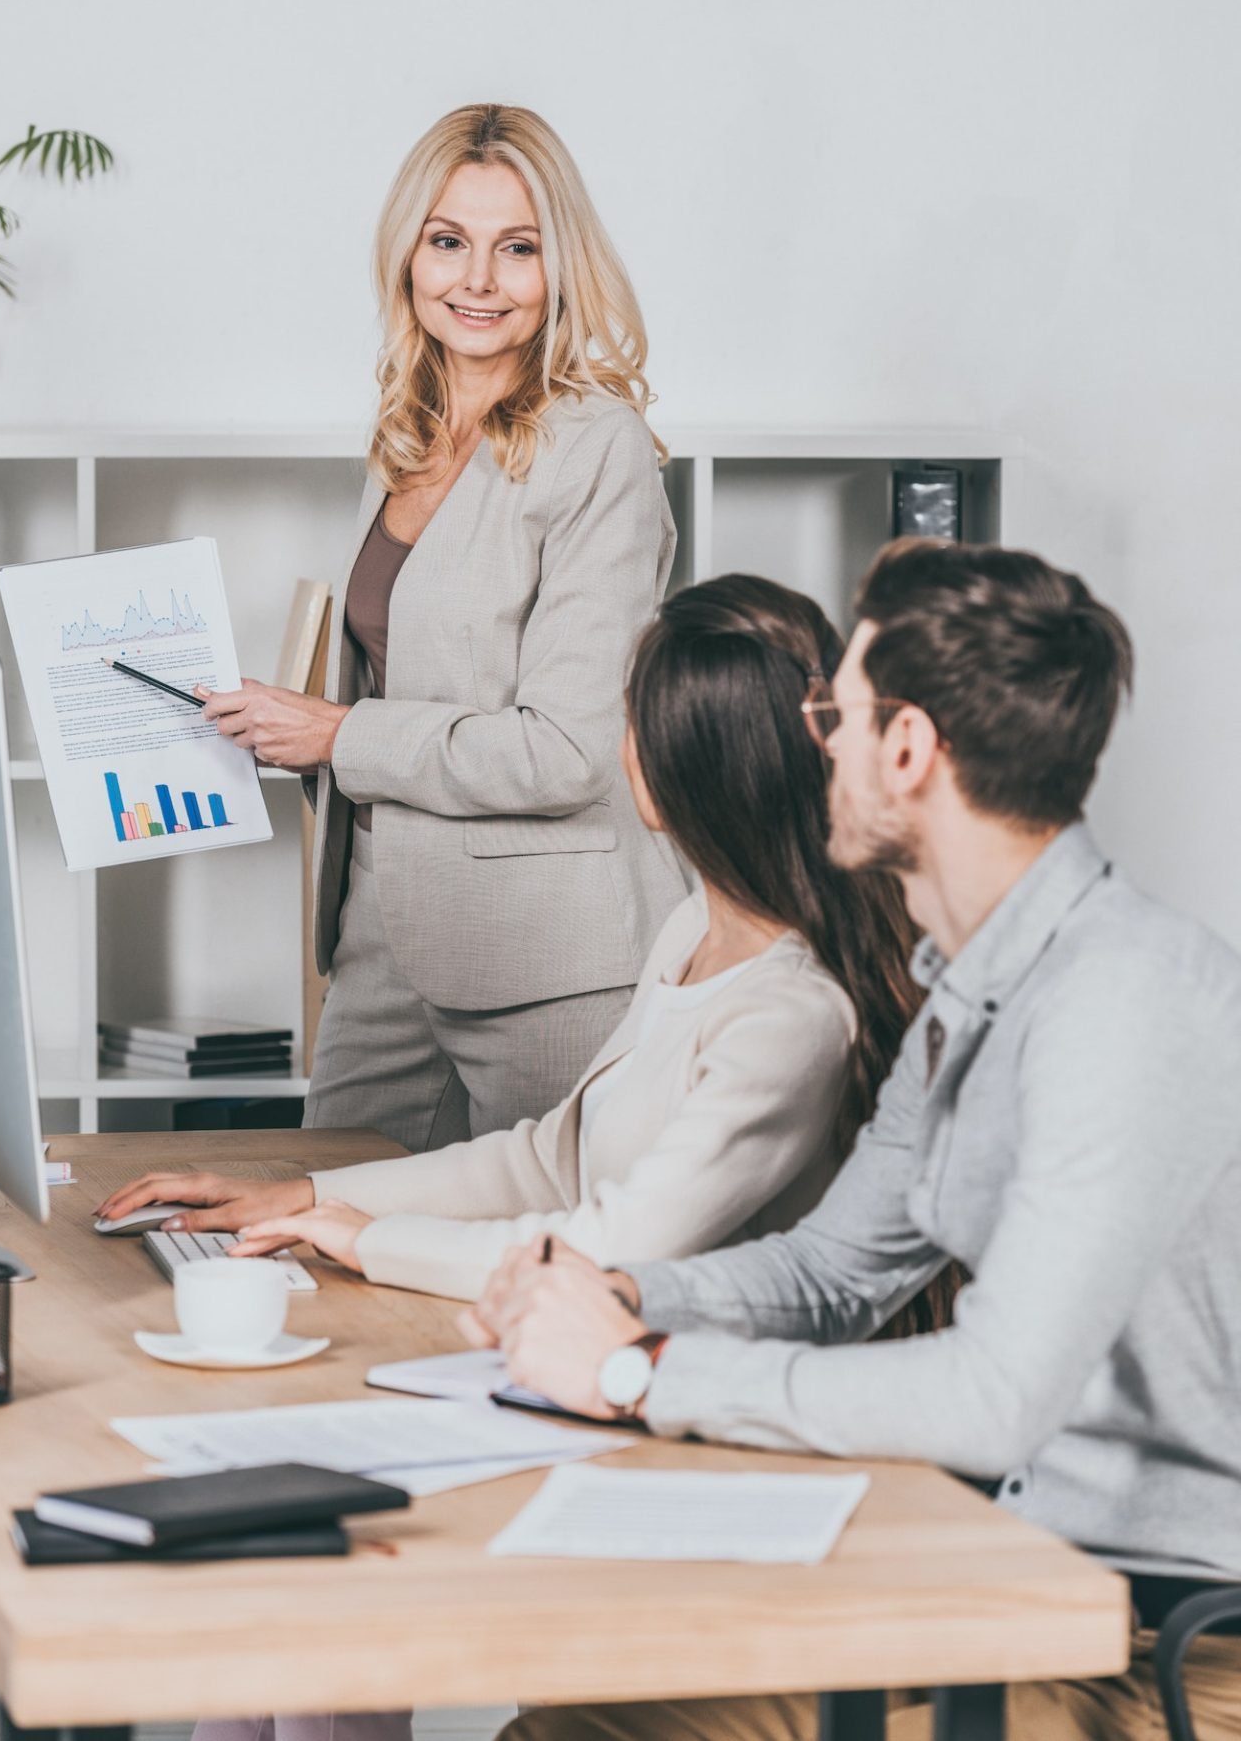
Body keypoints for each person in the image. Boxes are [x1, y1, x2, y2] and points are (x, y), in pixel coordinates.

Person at [468, 539, 1241, 1741]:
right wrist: (618, 1289)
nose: (810, 741)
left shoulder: (1117, 1002)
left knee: (601, 1723)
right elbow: (829, 1273)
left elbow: (991, 1397)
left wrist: (635, 1371)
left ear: (907, 750)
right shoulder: (973, 992)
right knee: (581, 1701)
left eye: (835, 710)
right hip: (1011, 1582)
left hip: (1159, 1647)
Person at [99, 575, 955, 1328]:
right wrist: (313, 1196)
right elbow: (556, 1158)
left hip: (674, 1380)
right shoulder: (693, 928)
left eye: (628, 718)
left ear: (672, 769)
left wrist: (372, 1243)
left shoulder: (791, 1014)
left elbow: (619, 1245)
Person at [189, 103, 685, 1149]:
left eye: (517, 249)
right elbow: (400, 676)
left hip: (546, 955)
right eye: (448, 241)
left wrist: (336, 736)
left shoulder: (601, 452)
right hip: (380, 928)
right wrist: (279, 725)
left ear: (561, 268)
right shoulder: (406, 437)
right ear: (407, 253)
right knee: (326, 1238)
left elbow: (568, 748)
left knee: (544, 1266)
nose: (477, 281)